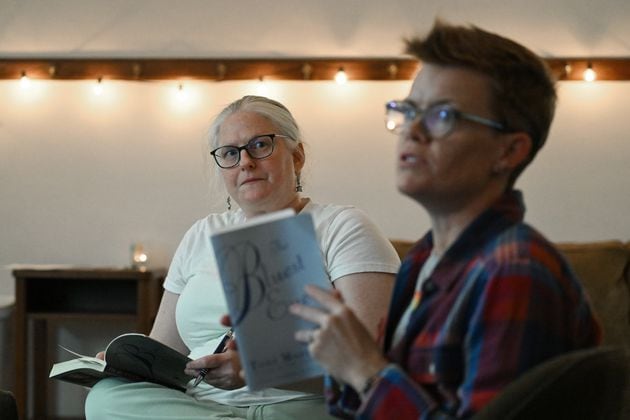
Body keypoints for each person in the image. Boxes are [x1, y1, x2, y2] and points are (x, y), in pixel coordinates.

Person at [290, 21, 602, 419]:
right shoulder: (422, 260)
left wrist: (365, 370)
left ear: (508, 151)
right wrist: (336, 352)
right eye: (409, 110)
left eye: (442, 115)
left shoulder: (514, 270)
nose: (412, 131)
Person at [85, 95, 400, 419]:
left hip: (297, 408)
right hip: (199, 406)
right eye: (230, 153)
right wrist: (125, 365)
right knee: (106, 397)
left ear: (298, 156)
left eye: (260, 145)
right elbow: (164, 351)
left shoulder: (343, 227)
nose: (245, 162)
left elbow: (372, 364)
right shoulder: (201, 234)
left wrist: (255, 372)